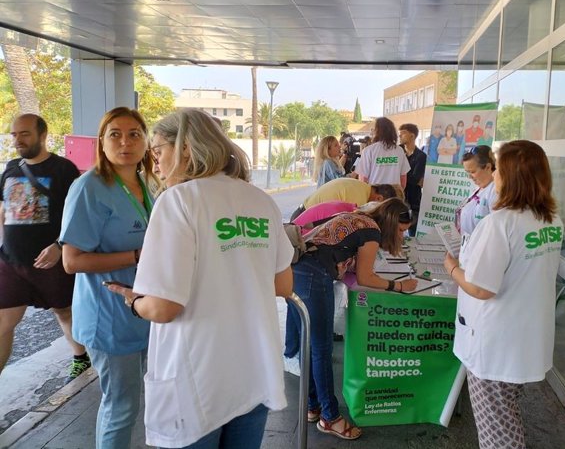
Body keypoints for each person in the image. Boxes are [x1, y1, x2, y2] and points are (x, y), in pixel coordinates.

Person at [107, 109, 293, 449]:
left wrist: (135, 301)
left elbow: (163, 307)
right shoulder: (261, 201)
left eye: (158, 150)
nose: (155, 162)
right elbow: (282, 286)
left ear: (187, 149)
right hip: (252, 370)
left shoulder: (178, 201)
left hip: (198, 380)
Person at [443, 140, 563, 449]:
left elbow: (482, 287)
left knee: (496, 428)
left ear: (510, 176)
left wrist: (453, 269)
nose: (493, 174)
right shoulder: (550, 220)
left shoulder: (500, 223)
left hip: (495, 344)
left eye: (498, 168)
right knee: (507, 415)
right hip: (524, 340)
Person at [60, 107, 156, 449]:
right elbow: (71, 261)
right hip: (108, 316)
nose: (125, 142)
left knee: (132, 402)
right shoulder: (89, 187)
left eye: (134, 134)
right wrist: (137, 256)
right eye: (114, 134)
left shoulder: (146, 183)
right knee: (121, 406)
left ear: (146, 141)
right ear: (102, 142)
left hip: (142, 312)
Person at [285, 198, 418, 440]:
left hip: (295, 270)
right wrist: (399, 286)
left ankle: (313, 405)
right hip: (313, 276)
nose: (402, 235)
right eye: (400, 230)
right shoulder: (372, 232)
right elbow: (366, 278)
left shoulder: (362, 218)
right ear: (390, 223)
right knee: (321, 349)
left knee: (311, 344)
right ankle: (330, 417)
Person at [0, 114, 89, 378]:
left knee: (64, 311)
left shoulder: (64, 169)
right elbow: (3, 211)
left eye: (24, 134)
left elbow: (79, 216)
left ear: (42, 134)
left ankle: (81, 356)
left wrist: (59, 246)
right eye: (14, 134)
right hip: (11, 261)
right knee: (4, 322)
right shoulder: (11, 168)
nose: (18, 140)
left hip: (51, 262)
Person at [290, 178, 398, 221]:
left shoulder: (362, 187)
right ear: (379, 198)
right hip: (303, 223)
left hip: (303, 215)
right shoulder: (359, 199)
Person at [357, 117, 410, 188]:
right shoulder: (399, 150)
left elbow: (362, 179)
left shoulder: (368, 151)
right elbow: (403, 178)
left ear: (377, 131)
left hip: (375, 195)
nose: (372, 132)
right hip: (394, 194)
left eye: (373, 129)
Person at [398, 123, 427, 236]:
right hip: (398, 197)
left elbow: (415, 179)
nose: (400, 136)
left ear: (412, 135)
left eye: (403, 133)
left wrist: (401, 171)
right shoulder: (397, 151)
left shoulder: (421, 156)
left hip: (413, 198)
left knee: (412, 230)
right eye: (399, 134)